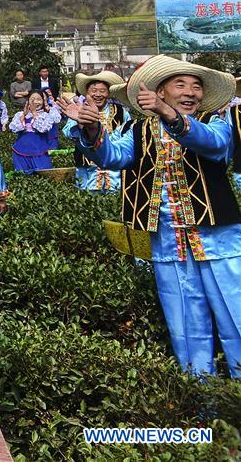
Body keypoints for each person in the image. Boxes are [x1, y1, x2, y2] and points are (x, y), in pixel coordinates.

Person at [63, 55, 240, 378]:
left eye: (196, 86)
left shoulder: (214, 122)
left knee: (236, 316)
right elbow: (112, 157)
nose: (190, 92)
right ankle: (202, 396)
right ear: (160, 91)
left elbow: (214, 145)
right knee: (186, 325)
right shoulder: (138, 130)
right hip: (169, 243)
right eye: (181, 84)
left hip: (219, 241)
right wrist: (90, 129)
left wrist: (170, 116)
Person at [61, 71, 130, 193]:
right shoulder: (80, 110)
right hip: (87, 170)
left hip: (115, 172)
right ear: (87, 92)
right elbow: (67, 133)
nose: (98, 94)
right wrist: (80, 124)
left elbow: (127, 134)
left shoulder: (121, 112)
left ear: (108, 93)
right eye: (94, 91)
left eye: (102, 91)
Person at [9, 90, 55, 173]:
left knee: (43, 176)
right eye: (32, 99)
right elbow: (13, 128)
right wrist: (23, 115)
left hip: (39, 152)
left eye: (39, 99)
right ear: (28, 101)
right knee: (22, 176)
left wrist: (34, 113)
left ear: (43, 101)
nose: (36, 102)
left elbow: (43, 129)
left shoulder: (46, 116)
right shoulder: (20, 114)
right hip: (20, 152)